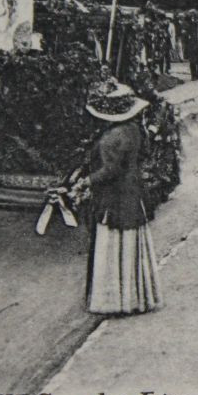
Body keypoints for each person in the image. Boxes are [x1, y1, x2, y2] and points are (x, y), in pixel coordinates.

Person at [79, 79, 161, 316]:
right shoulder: (134, 130)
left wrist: (87, 181)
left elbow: (109, 171)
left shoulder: (110, 138)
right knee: (132, 244)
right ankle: (136, 296)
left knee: (112, 245)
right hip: (133, 194)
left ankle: (114, 300)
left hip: (113, 198)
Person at [183, 10, 198, 80]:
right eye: (195, 19)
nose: (197, 20)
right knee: (192, 61)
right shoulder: (189, 27)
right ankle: (194, 76)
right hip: (192, 46)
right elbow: (185, 37)